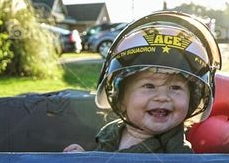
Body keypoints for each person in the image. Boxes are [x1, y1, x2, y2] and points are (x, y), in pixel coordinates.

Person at [63, 11, 221, 154]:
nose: (162, 97)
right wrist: (85, 158)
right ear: (121, 99)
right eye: (149, 86)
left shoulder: (177, 156)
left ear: (192, 102)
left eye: (175, 87)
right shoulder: (113, 131)